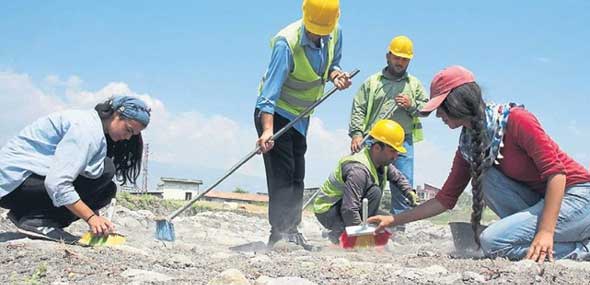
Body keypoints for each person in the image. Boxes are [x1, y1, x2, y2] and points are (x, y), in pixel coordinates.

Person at [368, 65, 590, 263]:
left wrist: (545, 232)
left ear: (457, 102)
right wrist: (393, 219)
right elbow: (444, 200)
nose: (438, 116)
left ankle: (583, 249)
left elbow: (557, 175)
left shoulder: (517, 120)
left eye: (441, 107)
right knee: (486, 176)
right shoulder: (468, 145)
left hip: (578, 197)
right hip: (543, 203)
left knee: (493, 242)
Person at [254, 0, 352, 250]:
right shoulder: (286, 43)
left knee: (297, 175)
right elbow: (269, 93)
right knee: (282, 175)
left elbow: (332, 65)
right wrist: (267, 129)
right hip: (275, 114)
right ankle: (280, 234)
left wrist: (336, 76)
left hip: (301, 117)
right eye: (314, 29)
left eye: (324, 30)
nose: (318, 34)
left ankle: (292, 230)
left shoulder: (334, 31)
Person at [0, 96, 150, 244]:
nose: (128, 137)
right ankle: (37, 222)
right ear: (116, 115)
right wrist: (91, 218)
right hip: (12, 184)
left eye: (133, 134)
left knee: (107, 189)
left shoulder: (92, 127)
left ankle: (25, 215)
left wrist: (97, 219)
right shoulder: (86, 130)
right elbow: (57, 183)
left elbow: (85, 184)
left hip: (20, 186)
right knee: (105, 170)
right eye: (128, 130)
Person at [349, 35, 428, 216]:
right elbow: (358, 107)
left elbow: (426, 109)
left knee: (403, 182)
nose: (400, 62)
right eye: (396, 57)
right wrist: (356, 134)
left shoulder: (414, 85)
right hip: (373, 140)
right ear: (388, 57)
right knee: (364, 179)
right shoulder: (372, 83)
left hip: (403, 142)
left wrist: (411, 105)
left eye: (404, 59)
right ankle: (358, 218)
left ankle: (398, 226)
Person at [313, 119, 417, 244]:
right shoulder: (358, 170)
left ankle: (342, 232)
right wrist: (360, 238)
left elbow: (398, 178)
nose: (395, 156)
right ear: (377, 148)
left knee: (386, 221)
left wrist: (409, 192)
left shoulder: (382, 163)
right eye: (392, 151)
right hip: (328, 211)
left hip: (344, 207)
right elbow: (349, 209)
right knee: (375, 192)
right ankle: (338, 234)